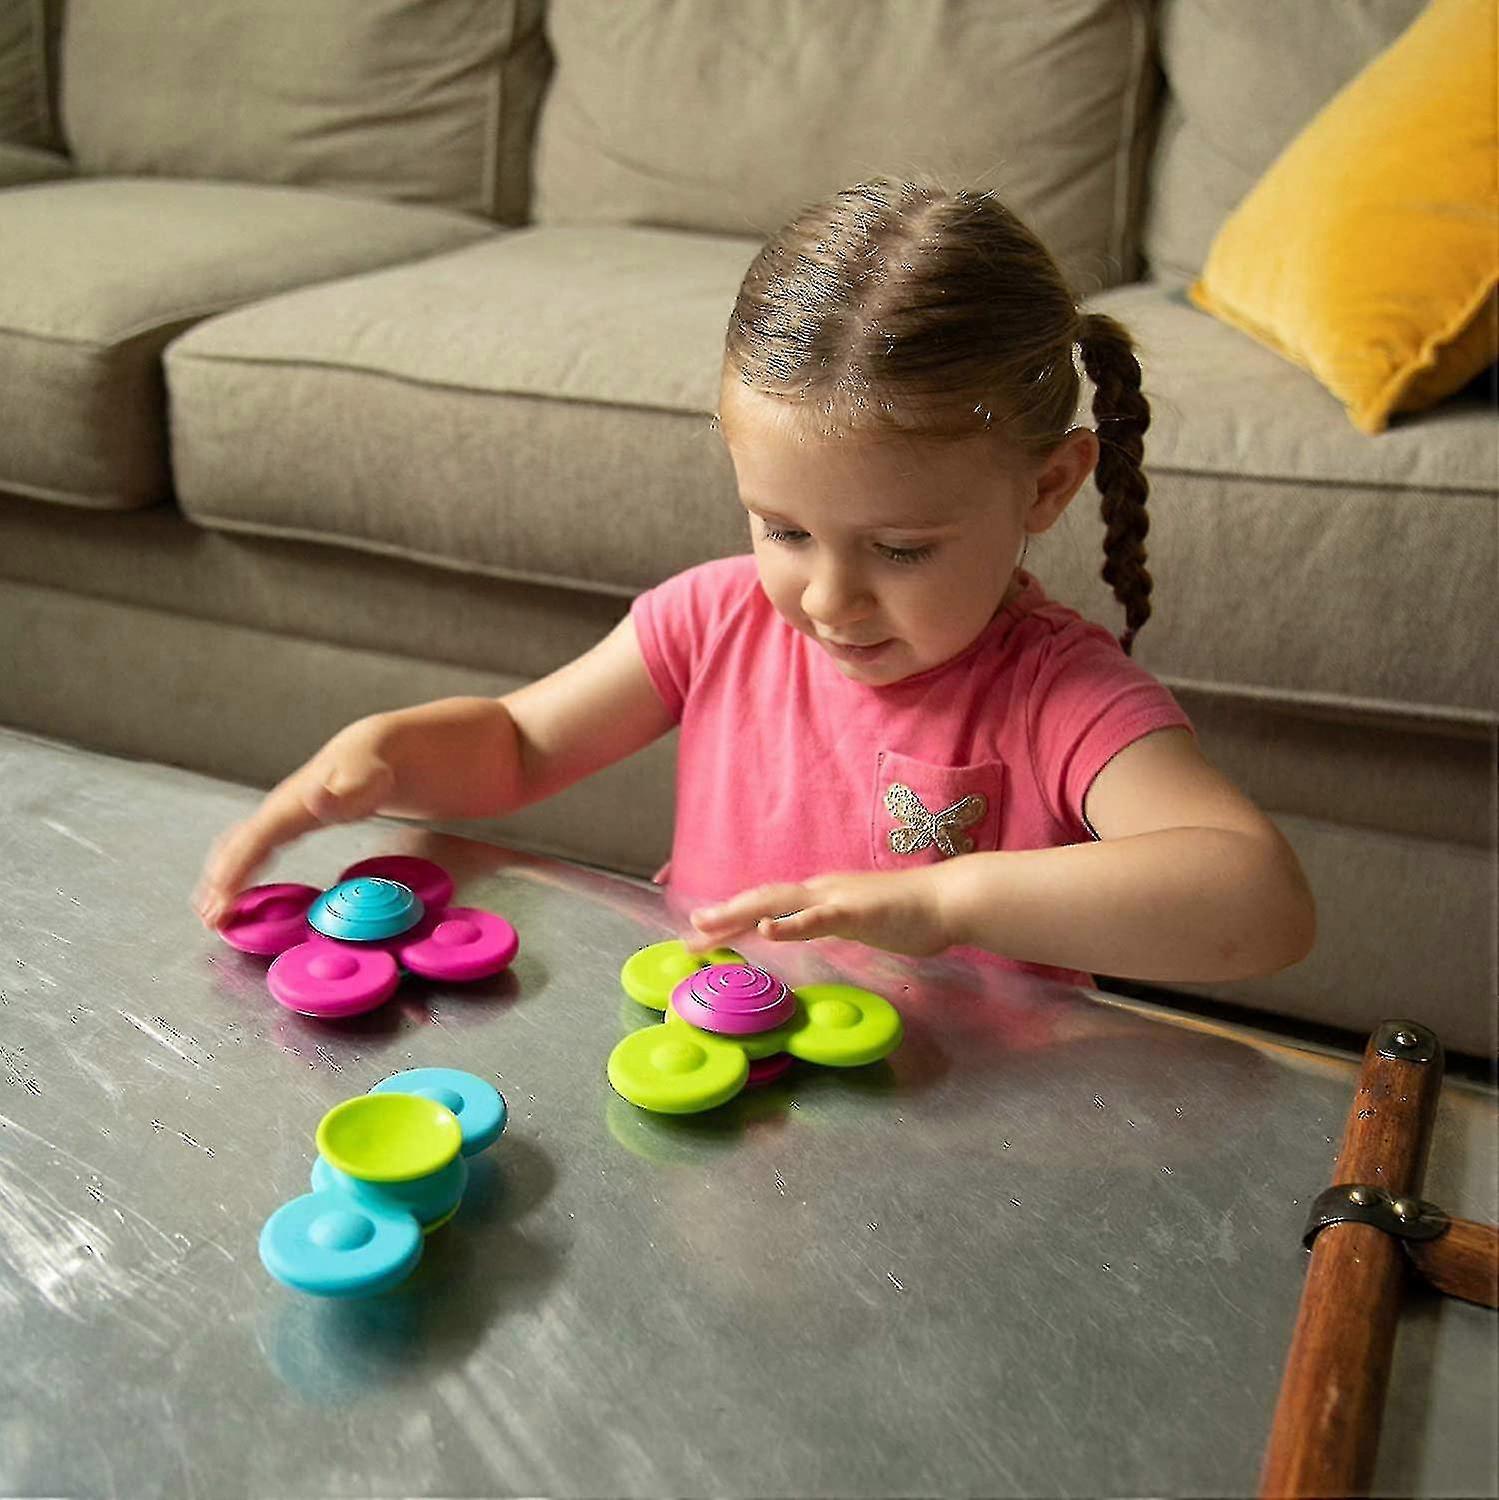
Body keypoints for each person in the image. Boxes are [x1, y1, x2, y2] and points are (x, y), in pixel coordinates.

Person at [194, 178, 1315, 987]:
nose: (828, 599)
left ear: (1049, 485)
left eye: (900, 549)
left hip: (965, 1136)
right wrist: (387, 754)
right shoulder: (712, 617)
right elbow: (521, 744)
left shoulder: (1058, 697)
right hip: (710, 1077)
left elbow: (1258, 902)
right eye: (784, 530)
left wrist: (944, 901)